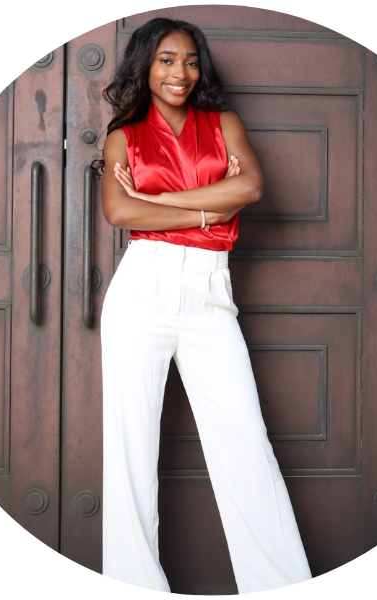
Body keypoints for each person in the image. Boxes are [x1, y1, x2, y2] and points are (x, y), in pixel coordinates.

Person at [98, 17, 312, 594]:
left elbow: (250, 188)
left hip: (209, 292)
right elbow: (120, 214)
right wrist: (203, 210)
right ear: (145, 64)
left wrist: (155, 199)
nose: (180, 73)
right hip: (141, 290)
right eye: (167, 59)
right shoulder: (122, 134)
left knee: (245, 442)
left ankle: (281, 585)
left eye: (190, 61)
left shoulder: (224, 123)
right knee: (129, 451)